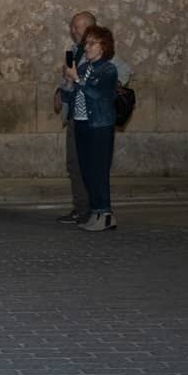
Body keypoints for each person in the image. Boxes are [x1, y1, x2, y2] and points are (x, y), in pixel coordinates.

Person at [54, 11, 131, 224]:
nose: (73, 30)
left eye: (77, 27)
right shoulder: (77, 52)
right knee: (78, 165)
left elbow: (120, 74)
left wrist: (105, 86)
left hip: (95, 121)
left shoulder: (104, 58)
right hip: (77, 118)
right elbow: (73, 84)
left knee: (95, 168)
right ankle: (85, 209)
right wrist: (61, 92)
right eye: (72, 26)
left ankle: (98, 212)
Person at [63, 25, 119, 232]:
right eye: (86, 43)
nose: (86, 47)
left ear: (103, 46)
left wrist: (77, 79)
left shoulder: (108, 70)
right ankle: (96, 212)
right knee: (86, 171)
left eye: (91, 43)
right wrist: (69, 82)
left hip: (99, 126)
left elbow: (98, 94)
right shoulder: (83, 68)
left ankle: (106, 215)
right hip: (81, 124)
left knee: (98, 171)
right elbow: (70, 96)